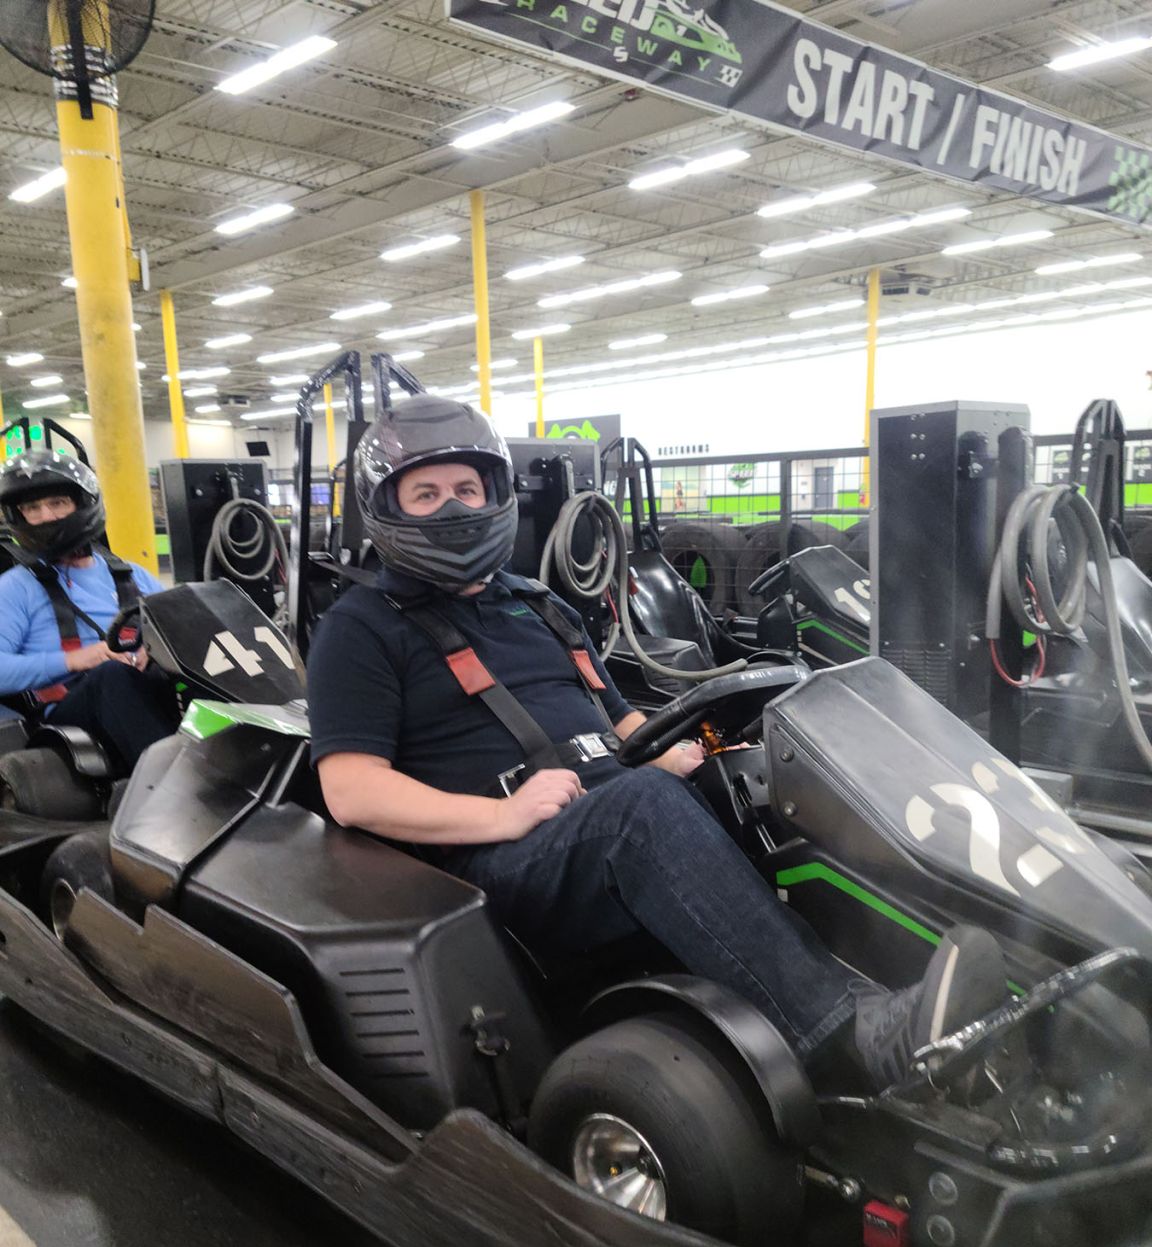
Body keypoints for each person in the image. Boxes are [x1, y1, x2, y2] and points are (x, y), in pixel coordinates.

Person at [307, 396, 1006, 1088]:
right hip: (498, 858)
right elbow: (351, 789)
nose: (453, 509)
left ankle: (923, 963)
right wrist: (503, 815)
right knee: (640, 813)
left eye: (466, 488)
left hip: (592, 813)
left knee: (761, 775)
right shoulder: (362, 627)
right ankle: (853, 1037)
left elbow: (622, 722)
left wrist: (691, 751)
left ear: (496, 494)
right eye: (426, 494)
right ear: (389, 507)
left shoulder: (537, 604)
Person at [0, 449, 179, 773]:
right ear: (19, 517)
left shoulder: (130, 575)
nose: (47, 516)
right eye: (32, 508)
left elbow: (182, 627)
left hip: (144, 692)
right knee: (111, 676)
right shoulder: (15, 587)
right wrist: (80, 658)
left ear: (81, 503)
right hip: (68, 721)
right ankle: (180, 791)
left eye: (57, 503)